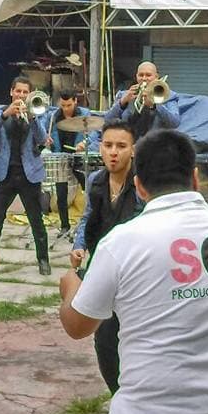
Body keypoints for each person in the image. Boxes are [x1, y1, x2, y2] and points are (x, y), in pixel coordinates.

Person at [59, 129, 208, 414]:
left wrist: (71, 285)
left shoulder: (123, 242)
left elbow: (77, 326)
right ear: (194, 177)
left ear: (138, 187)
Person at [69, 121, 143, 395]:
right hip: (102, 267)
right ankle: (119, 395)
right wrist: (79, 246)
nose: (114, 152)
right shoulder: (95, 180)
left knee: (134, 337)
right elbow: (88, 216)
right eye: (108, 145)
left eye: (121, 146)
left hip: (134, 271)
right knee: (105, 339)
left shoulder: (140, 183)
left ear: (133, 150)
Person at [0, 76, 51, 276]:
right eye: (18, 91)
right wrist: (4, 115)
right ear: (11, 92)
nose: (21, 95)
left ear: (30, 95)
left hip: (29, 174)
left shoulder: (38, 112)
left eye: (25, 92)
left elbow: (42, 138)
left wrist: (34, 117)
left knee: (36, 220)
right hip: (5, 174)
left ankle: (43, 260)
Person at [46, 89, 94, 237]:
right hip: (60, 156)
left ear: (75, 101)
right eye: (63, 105)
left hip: (78, 156)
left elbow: (93, 134)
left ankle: (91, 222)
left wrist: (84, 144)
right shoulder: (54, 115)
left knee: (89, 188)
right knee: (61, 193)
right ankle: (65, 226)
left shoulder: (84, 114)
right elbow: (45, 132)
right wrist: (46, 139)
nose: (65, 108)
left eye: (68, 105)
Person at [104, 61, 179, 140]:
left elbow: (174, 122)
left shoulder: (168, 95)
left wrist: (155, 105)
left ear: (156, 77)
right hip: (128, 144)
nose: (144, 78)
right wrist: (122, 102)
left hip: (156, 145)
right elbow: (108, 120)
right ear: (136, 76)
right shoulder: (124, 95)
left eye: (148, 75)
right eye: (141, 75)